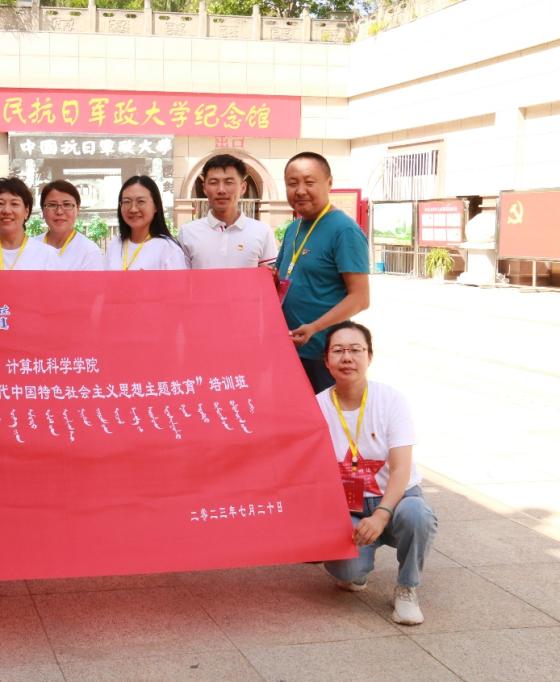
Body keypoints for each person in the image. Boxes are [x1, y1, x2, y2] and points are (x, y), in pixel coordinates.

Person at [317, 321, 437, 626]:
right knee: (347, 571)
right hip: (349, 506)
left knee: (417, 514)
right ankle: (358, 568)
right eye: (338, 351)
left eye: (356, 350)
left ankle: (407, 588)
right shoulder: (316, 407)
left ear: (369, 356)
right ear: (326, 360)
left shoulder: (390, 400)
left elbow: (401, 468)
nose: (347, 357)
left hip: (396, 500)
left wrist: (382, 514)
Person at [275, 152, 369, 393]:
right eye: (292, 183)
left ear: (329, 183)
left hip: (324, 355)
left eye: (309, 182)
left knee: (326, 414)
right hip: (289, 350)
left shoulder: (344, 230)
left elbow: (360, 298)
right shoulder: (293, 228)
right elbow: (284, 278)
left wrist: (315, 327)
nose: (300, 191)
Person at [178, 154, 277, 269]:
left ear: (243, 187)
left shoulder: (262, 231)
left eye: (229, 182)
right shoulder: (187, 232)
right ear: (204, 188)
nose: (221, 190)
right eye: (214, 182)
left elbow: (269, 276)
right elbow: (181, 277)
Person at [0, 177, 58, 271]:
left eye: (14, 204)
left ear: (26, 211)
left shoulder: (47, 255)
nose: (7, 210)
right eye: (0, 203)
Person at [104, 176, 188, 271]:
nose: (133, 209)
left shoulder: (168, 249)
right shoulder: (114, 245)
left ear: (156, 206)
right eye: (127, 202)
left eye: (141, 201)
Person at [34, 180, 103, 270]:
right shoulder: (30, 247)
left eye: (67, 205)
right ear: (43, 210)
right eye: (52, 205)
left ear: (78, 209)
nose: (59, 211)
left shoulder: (89, 252)